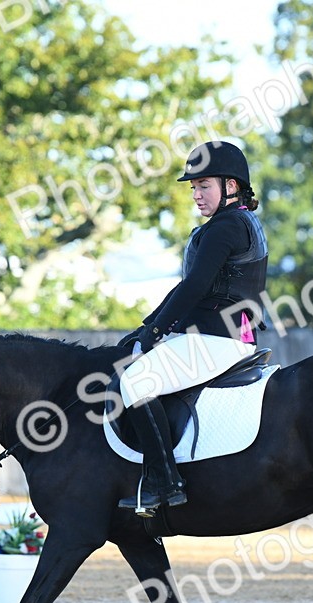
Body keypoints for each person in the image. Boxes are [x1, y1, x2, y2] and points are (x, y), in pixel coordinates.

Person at [117, 140, 269, 517]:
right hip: (220, 337)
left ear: (230, 186)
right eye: (193, 188)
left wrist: (154, 334)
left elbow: (195, 287)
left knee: (134, 382)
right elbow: (187, 285)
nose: (197, 196)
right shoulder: (235, 222)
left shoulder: (226, 226)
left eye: (204, 186)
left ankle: (163, 482)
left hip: (217, 339)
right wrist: (149, 326)